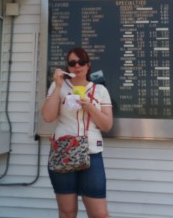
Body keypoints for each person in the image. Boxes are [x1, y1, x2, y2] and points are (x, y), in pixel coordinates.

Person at [42, 47, 113, 218]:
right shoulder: (58, 86)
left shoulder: (100, 90)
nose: (77, 66)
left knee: (100, 214)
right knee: (67, 212)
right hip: (63, 151)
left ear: (88, 65)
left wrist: (89, 107)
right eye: (72, 63)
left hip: (91, 153)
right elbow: (48, 117)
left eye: (81, 62)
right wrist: (58, 86)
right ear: (68, 67)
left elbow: (106, 125)